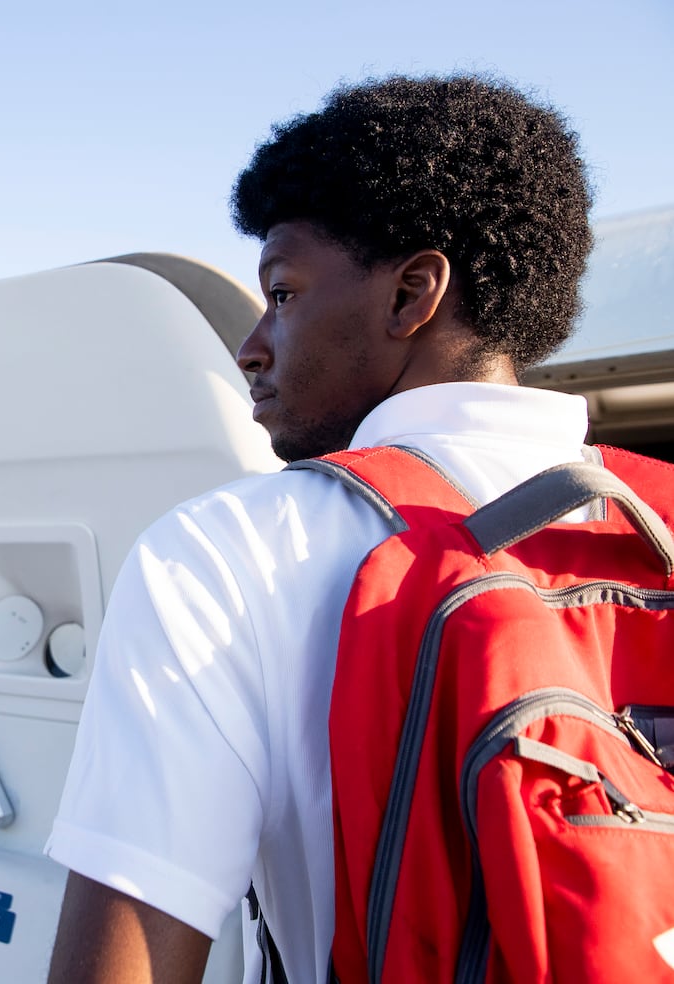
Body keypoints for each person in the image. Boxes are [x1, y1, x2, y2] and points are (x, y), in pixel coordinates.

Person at [44, 74, 595, 983]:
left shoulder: (230, 550)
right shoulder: (644, 523)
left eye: (284, 294)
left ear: (412, 295)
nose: (251, 346)